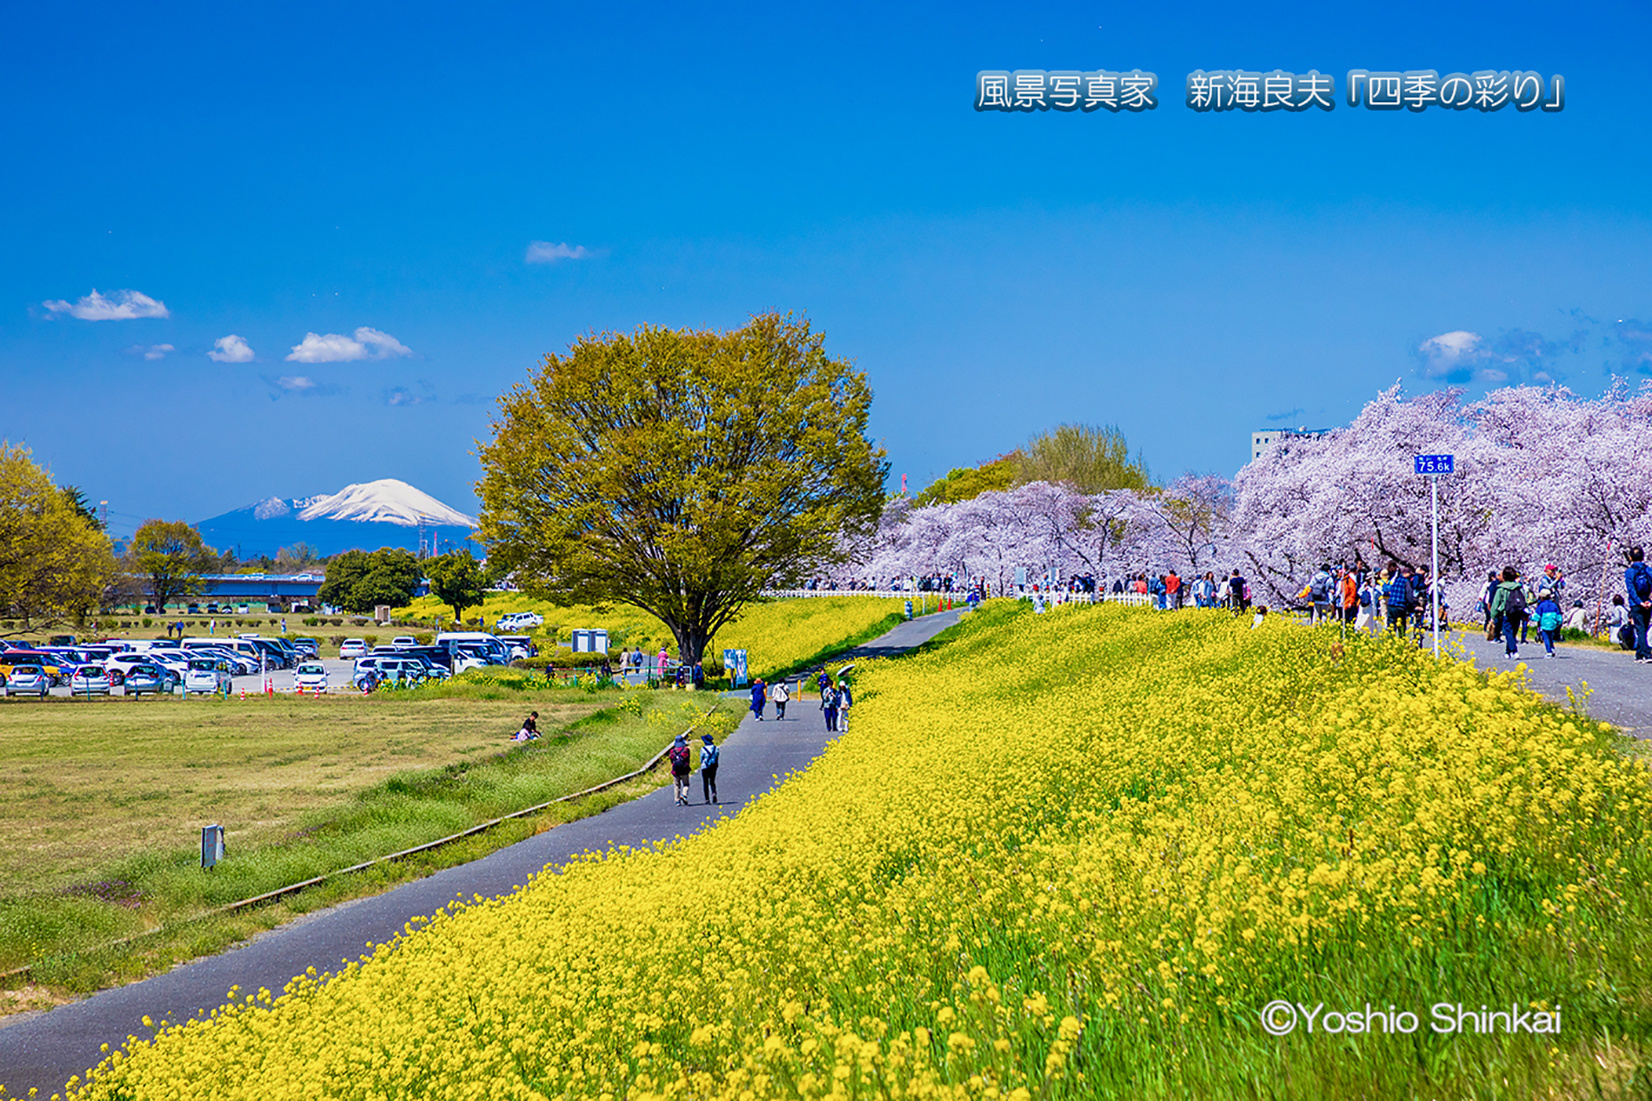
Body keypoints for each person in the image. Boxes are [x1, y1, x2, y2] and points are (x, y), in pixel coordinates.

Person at [1488, 566, 1528, 660]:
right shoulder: (1519, 587)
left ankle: (1514, 651)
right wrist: (1525, 613)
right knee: (1513, 632)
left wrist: (1493, 616)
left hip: (1506, 613)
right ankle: (1508, 651)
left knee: (1508, 632)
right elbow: (1524, 600)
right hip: (1517, 613)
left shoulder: (1501, 588)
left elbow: (1496, 603)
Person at [1627, 546, 1652, 663]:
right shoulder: (1648, 570)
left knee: (1640, 629)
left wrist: (1639, 602)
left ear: (1630, 557)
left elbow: (1631, 590)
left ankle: (1646, 654)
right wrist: (1649, 601)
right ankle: (1640, 653)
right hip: (1648, 602)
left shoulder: (1629, 572)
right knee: (1644, 628)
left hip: (1636, 604)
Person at [1383, 564, 1414, 637]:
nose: (1411, 577)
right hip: (1400, 606)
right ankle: (1401, 641)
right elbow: (1409, 594)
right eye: (1410, 574)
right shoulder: (1406, 582)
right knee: (1401, 627)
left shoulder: (1395, 580)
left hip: (1391, 605)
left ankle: (1389, 642)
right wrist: (1411, 604)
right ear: (1405, 573)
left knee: (1391, 626)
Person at [1533, 590, 1563, 657]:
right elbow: (1558, 615)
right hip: (1553, 624)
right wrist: (1559, 622)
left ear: (1541, 597)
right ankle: (1552, 649)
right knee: (1550, 637)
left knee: (1546, 638)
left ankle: (1548, 652)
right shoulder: (1554, 605)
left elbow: (1536, 616)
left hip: (1545, 624)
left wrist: (1529, 618)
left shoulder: (1541, 605)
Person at [668, 733, 693, 806]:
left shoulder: (672, 751)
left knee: (676, 786)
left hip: (675, 771)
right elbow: (688, 759)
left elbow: (671, 760)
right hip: (684, 770)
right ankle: (684, 795)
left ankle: (677, 800)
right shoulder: (686, 750)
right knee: (686, 784)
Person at [699, 732, 720, 804]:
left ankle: (707, 799)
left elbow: (701, 759)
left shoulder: (703, 749)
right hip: (713, 766)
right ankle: (714, 793)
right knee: (712, 781)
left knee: (705, 782)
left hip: (705, 767)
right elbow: (717, 756)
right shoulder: (716, 748)